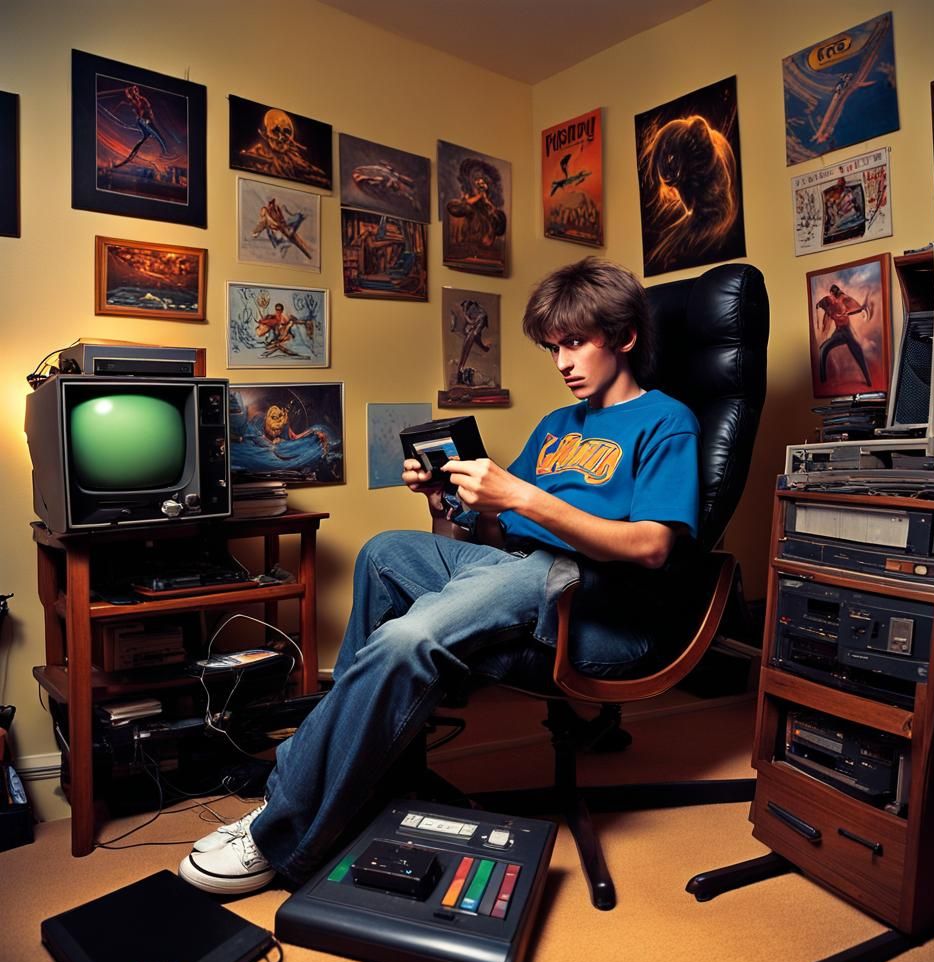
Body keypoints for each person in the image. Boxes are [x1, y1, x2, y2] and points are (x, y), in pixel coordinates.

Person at [179, 257, 701, 895]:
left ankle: (279, 827)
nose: (563, 362)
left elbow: (652, 546)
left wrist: (521, 497)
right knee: (383, 552)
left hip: (589, 597)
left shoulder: (666, 420)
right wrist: (443, 500)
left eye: (575, 343)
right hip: (516, 565)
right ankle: (371, 775)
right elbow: (483, 538)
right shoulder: (557, 427)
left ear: (623, 337)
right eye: (553, 348)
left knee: (407, 638)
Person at [816, 282, 872, 388]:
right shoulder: (828, 301)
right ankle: (822, 380)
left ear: (833, 293)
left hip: (846, 332)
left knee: (857, 353)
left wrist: (862, 308)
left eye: (832, 295)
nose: (831, 297)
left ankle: (868, 380)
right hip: (838, 332)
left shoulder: (844, 299)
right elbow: (819, 305)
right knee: (823, 349)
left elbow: (857, 308)